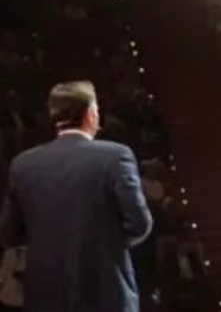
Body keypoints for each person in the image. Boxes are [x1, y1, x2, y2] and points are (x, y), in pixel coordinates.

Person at [0, 81, 154, 312]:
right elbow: (139, 223)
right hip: (105, 294)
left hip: (45, 296)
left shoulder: (23, 165)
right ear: (91, 115)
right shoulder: (116, 156)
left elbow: (10, 234)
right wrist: (105, 244)